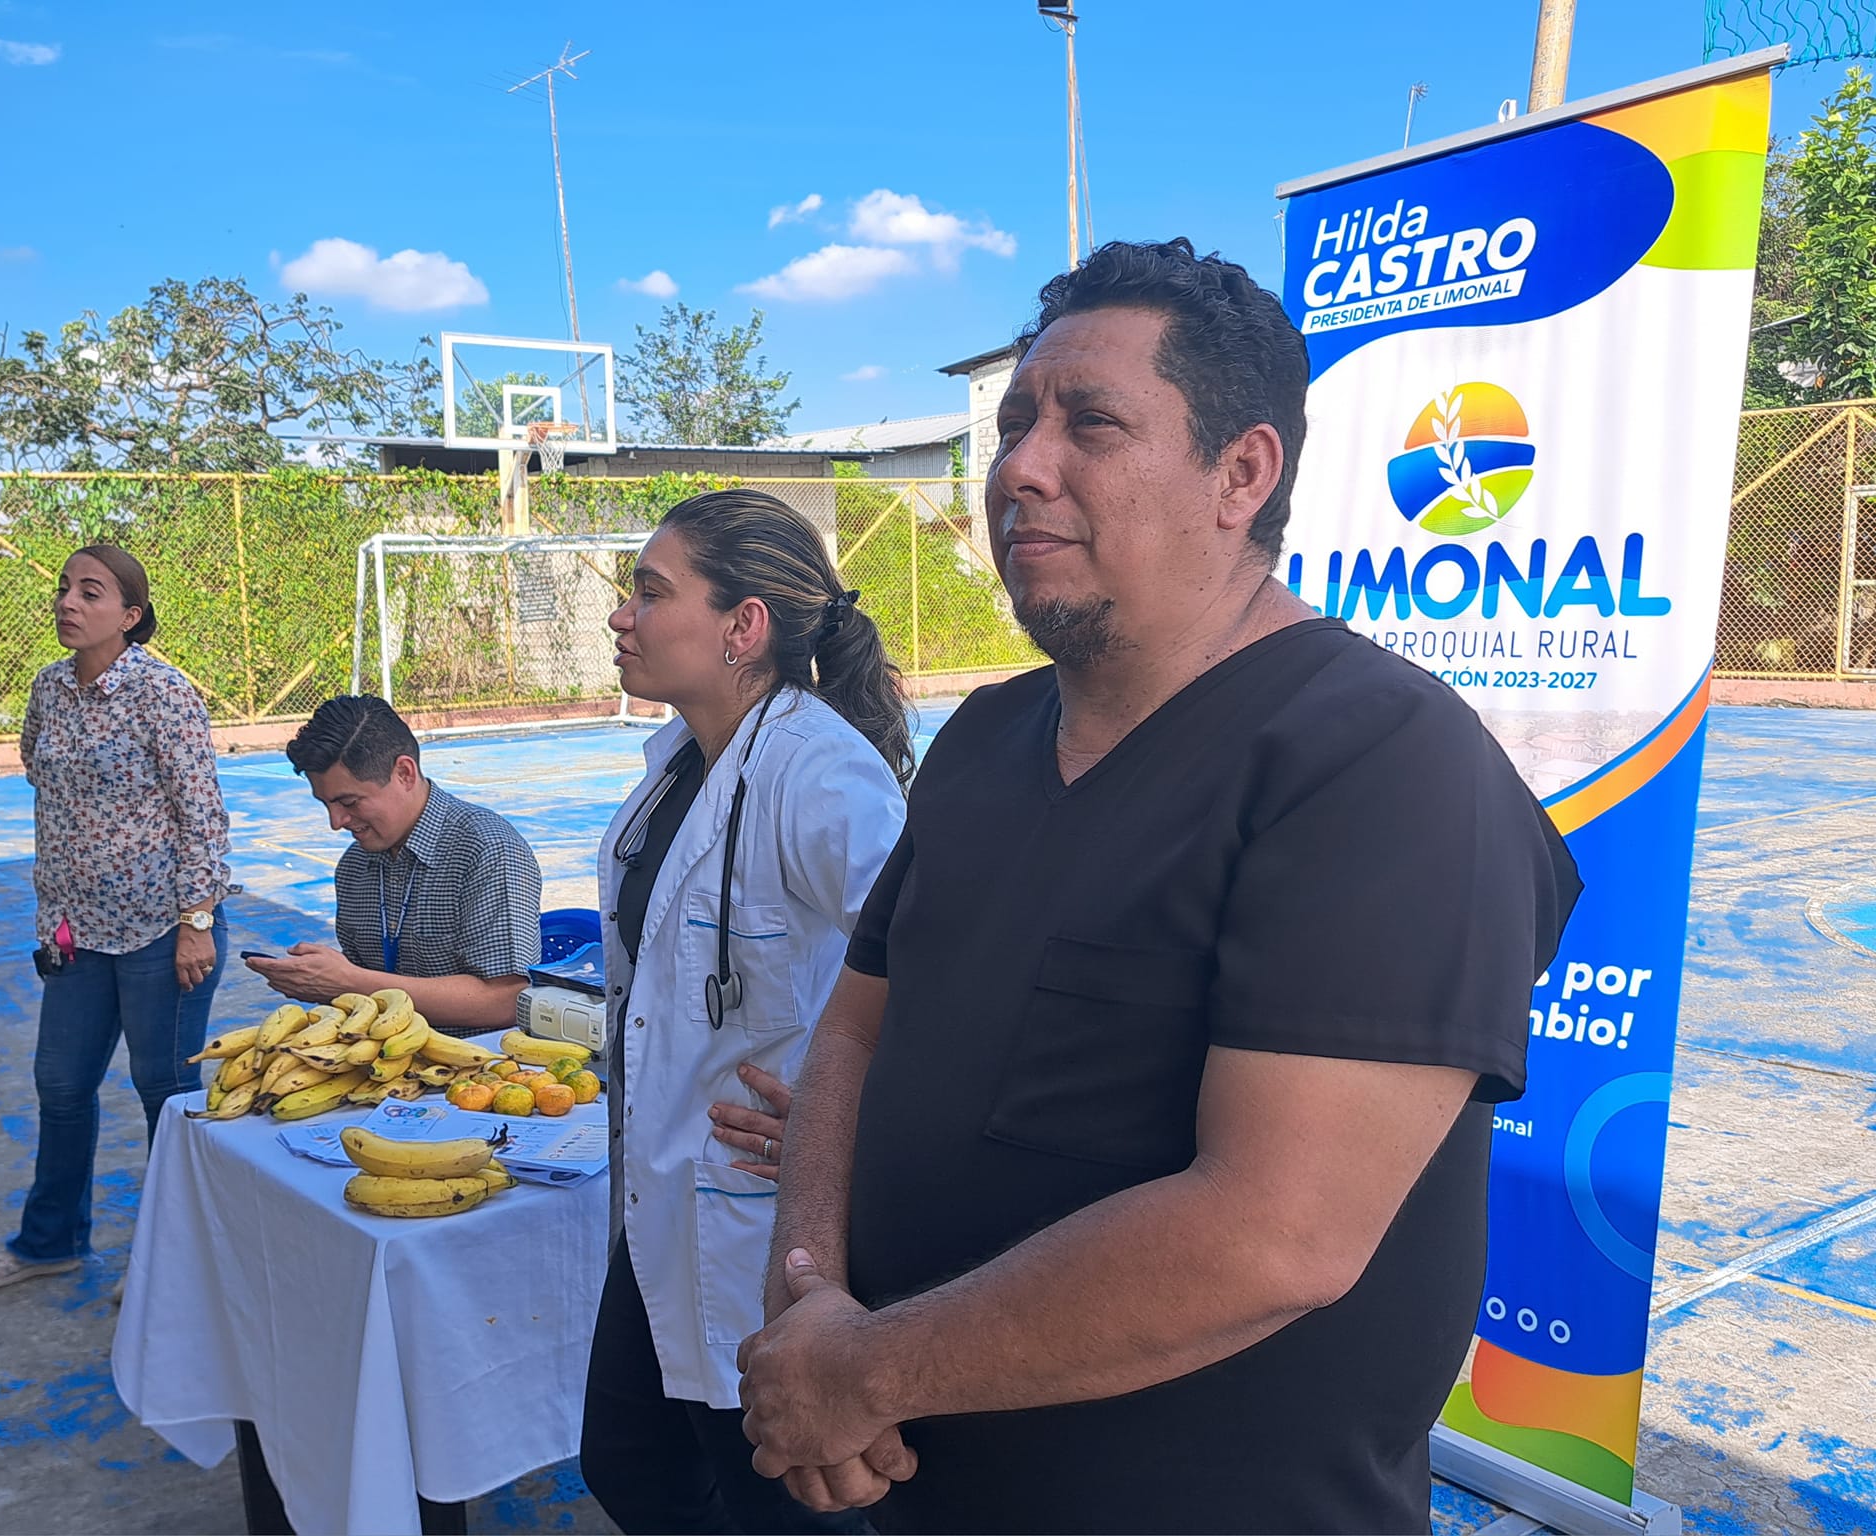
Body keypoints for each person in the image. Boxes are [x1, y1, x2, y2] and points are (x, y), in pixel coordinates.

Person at [737, 240, 1584, 1535]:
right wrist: (807, 1296)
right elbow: (855, 1029)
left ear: (1242, 473)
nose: (1020, 467)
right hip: (910, 1488)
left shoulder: (1378, 762)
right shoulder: (984, 740)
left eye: (1091, 423)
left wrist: (866, 1371)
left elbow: (1273, 1233)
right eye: (1014, 424)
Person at [579, 488, 913, 1535]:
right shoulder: (681, 765)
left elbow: (942, 975)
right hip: (664, 1193)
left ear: (743, 625)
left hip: (760, 1220)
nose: (622, 615)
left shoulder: (821, 773)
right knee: (628, 1462)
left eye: (650, 592)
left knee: (784, 1504)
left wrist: (850, 1128)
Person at [0, 545, 232, 1297]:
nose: (67, 603)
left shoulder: (163, 693)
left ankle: (175, 1258)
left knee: (163, 1090)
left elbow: (202, 814)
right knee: (61, 1084)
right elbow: (38, 771)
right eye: (64, 589)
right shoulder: (49, 688)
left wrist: (197, 920)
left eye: (90, 592)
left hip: (160, 931)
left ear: (130, 615)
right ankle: (49, 1243)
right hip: (76, 932)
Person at [247, 695, 542, 1038]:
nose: (336, 822)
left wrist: (350, 981)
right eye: (326, 805)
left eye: (349, 802)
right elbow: (366, 986)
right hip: (381, 1054)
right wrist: (322, 979)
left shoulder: (487, 849)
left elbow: (506, 1000)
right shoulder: (354, 866)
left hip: (478, 1062)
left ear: (404, 773)